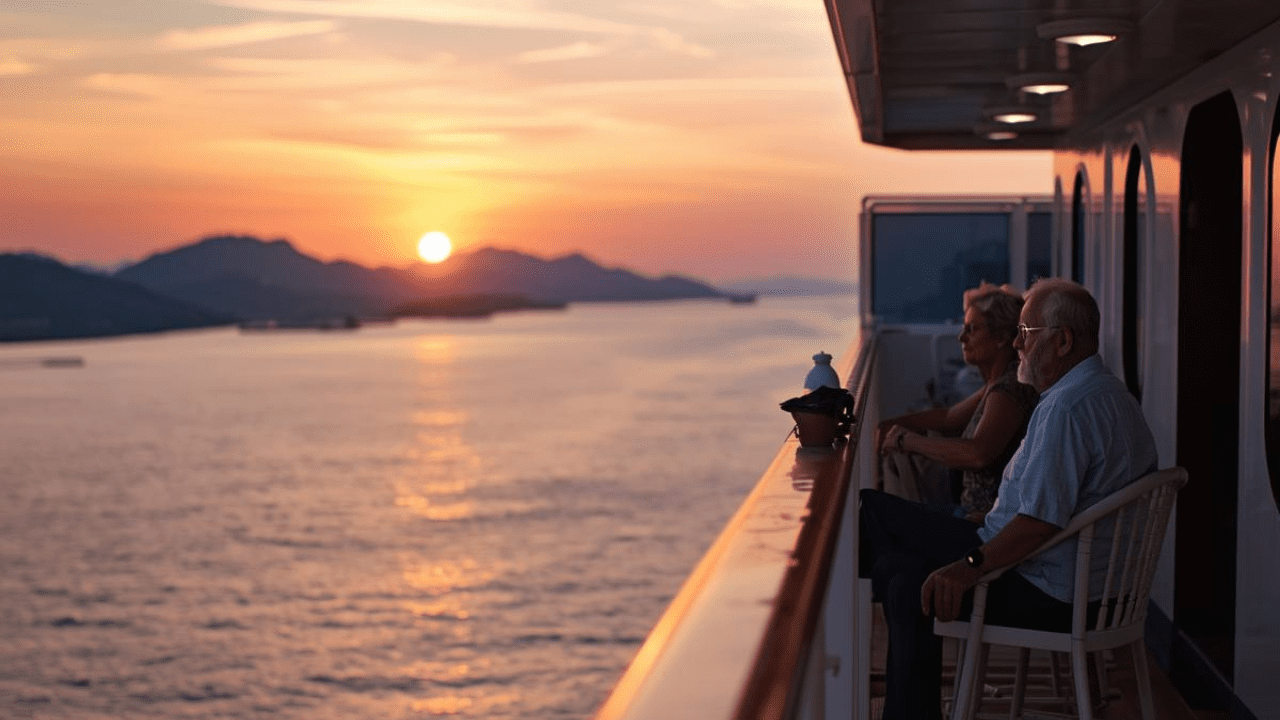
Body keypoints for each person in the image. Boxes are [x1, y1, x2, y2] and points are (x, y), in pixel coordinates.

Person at [859, 278, 1158, 720]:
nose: (1017, 344)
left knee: (871, 509)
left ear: (1062, 341)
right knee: (902, 580)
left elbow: (1039, 524)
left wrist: (969, 567)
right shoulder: (1113, 395)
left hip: (1050, 592)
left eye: (1026, 333)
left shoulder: (1065, 408)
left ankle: (804, 625)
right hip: (1095, 591)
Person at [878, 283, 1039, 522]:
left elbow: (979, 453)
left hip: (981, 526)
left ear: (1002, 338)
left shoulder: (1009, 389)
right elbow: (950, 417)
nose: (961, 337)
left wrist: (907, 441)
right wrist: (888, 425)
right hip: (970, 514)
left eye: (971, 329)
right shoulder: (997, 384)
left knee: (875, 511)